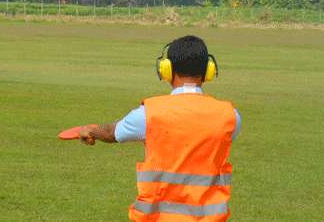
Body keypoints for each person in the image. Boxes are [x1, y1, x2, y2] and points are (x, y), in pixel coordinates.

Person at [79, 35, 241, 221]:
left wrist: (91, 131)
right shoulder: (230, 117)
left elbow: (111, 133)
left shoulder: (148, 113)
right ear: (208, 70)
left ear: (167, 69)